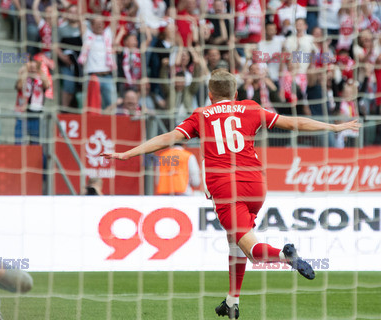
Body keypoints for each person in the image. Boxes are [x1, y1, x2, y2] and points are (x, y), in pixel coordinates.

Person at [101, 69, 360, 319]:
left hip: (226, 188)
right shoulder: (250, 107)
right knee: (234, 240)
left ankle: (285, 256)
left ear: (210, 95)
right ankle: (232, 301)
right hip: (256, 185)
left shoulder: (202, 115)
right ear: (235, 93)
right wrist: (334, 127)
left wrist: (127, 153)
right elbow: (293, 123)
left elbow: (168, 138)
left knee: (253, 250)